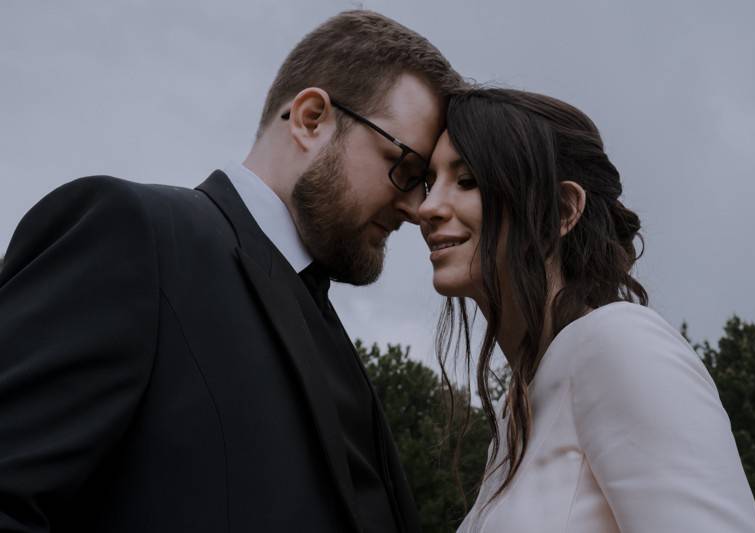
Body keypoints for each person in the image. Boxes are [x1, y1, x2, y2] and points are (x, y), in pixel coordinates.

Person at [0, 11, 462, 533]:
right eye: (405, 168)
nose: (415, 206)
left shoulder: (327, 325)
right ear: (311, 119)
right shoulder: (137, 236)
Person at [418, 88, 755, 532]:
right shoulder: (517, 412)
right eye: (430, 182)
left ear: (561, 210)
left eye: (467, 181)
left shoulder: (618, 343)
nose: (427, 208)